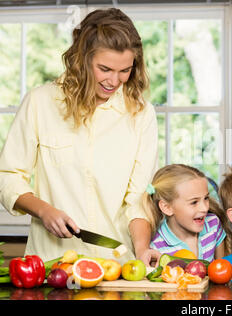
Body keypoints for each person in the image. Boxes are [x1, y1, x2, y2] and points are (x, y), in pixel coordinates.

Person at [0, 8, 160, 265]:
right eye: (105, 69)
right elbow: (8, 177)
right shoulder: (40, 102)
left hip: (116, 264)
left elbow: (138, 199)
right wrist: (44, 210)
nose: (114, 81)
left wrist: (142, 249)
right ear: (82, 58)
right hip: (52, 263)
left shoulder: (141, 114)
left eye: (124, 71)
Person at [144, 164, 232, 260]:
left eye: (206, 198)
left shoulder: (213, 224)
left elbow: (222, 268)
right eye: (194, 202)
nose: (205, 208)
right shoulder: (156, 247)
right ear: (167, 207)